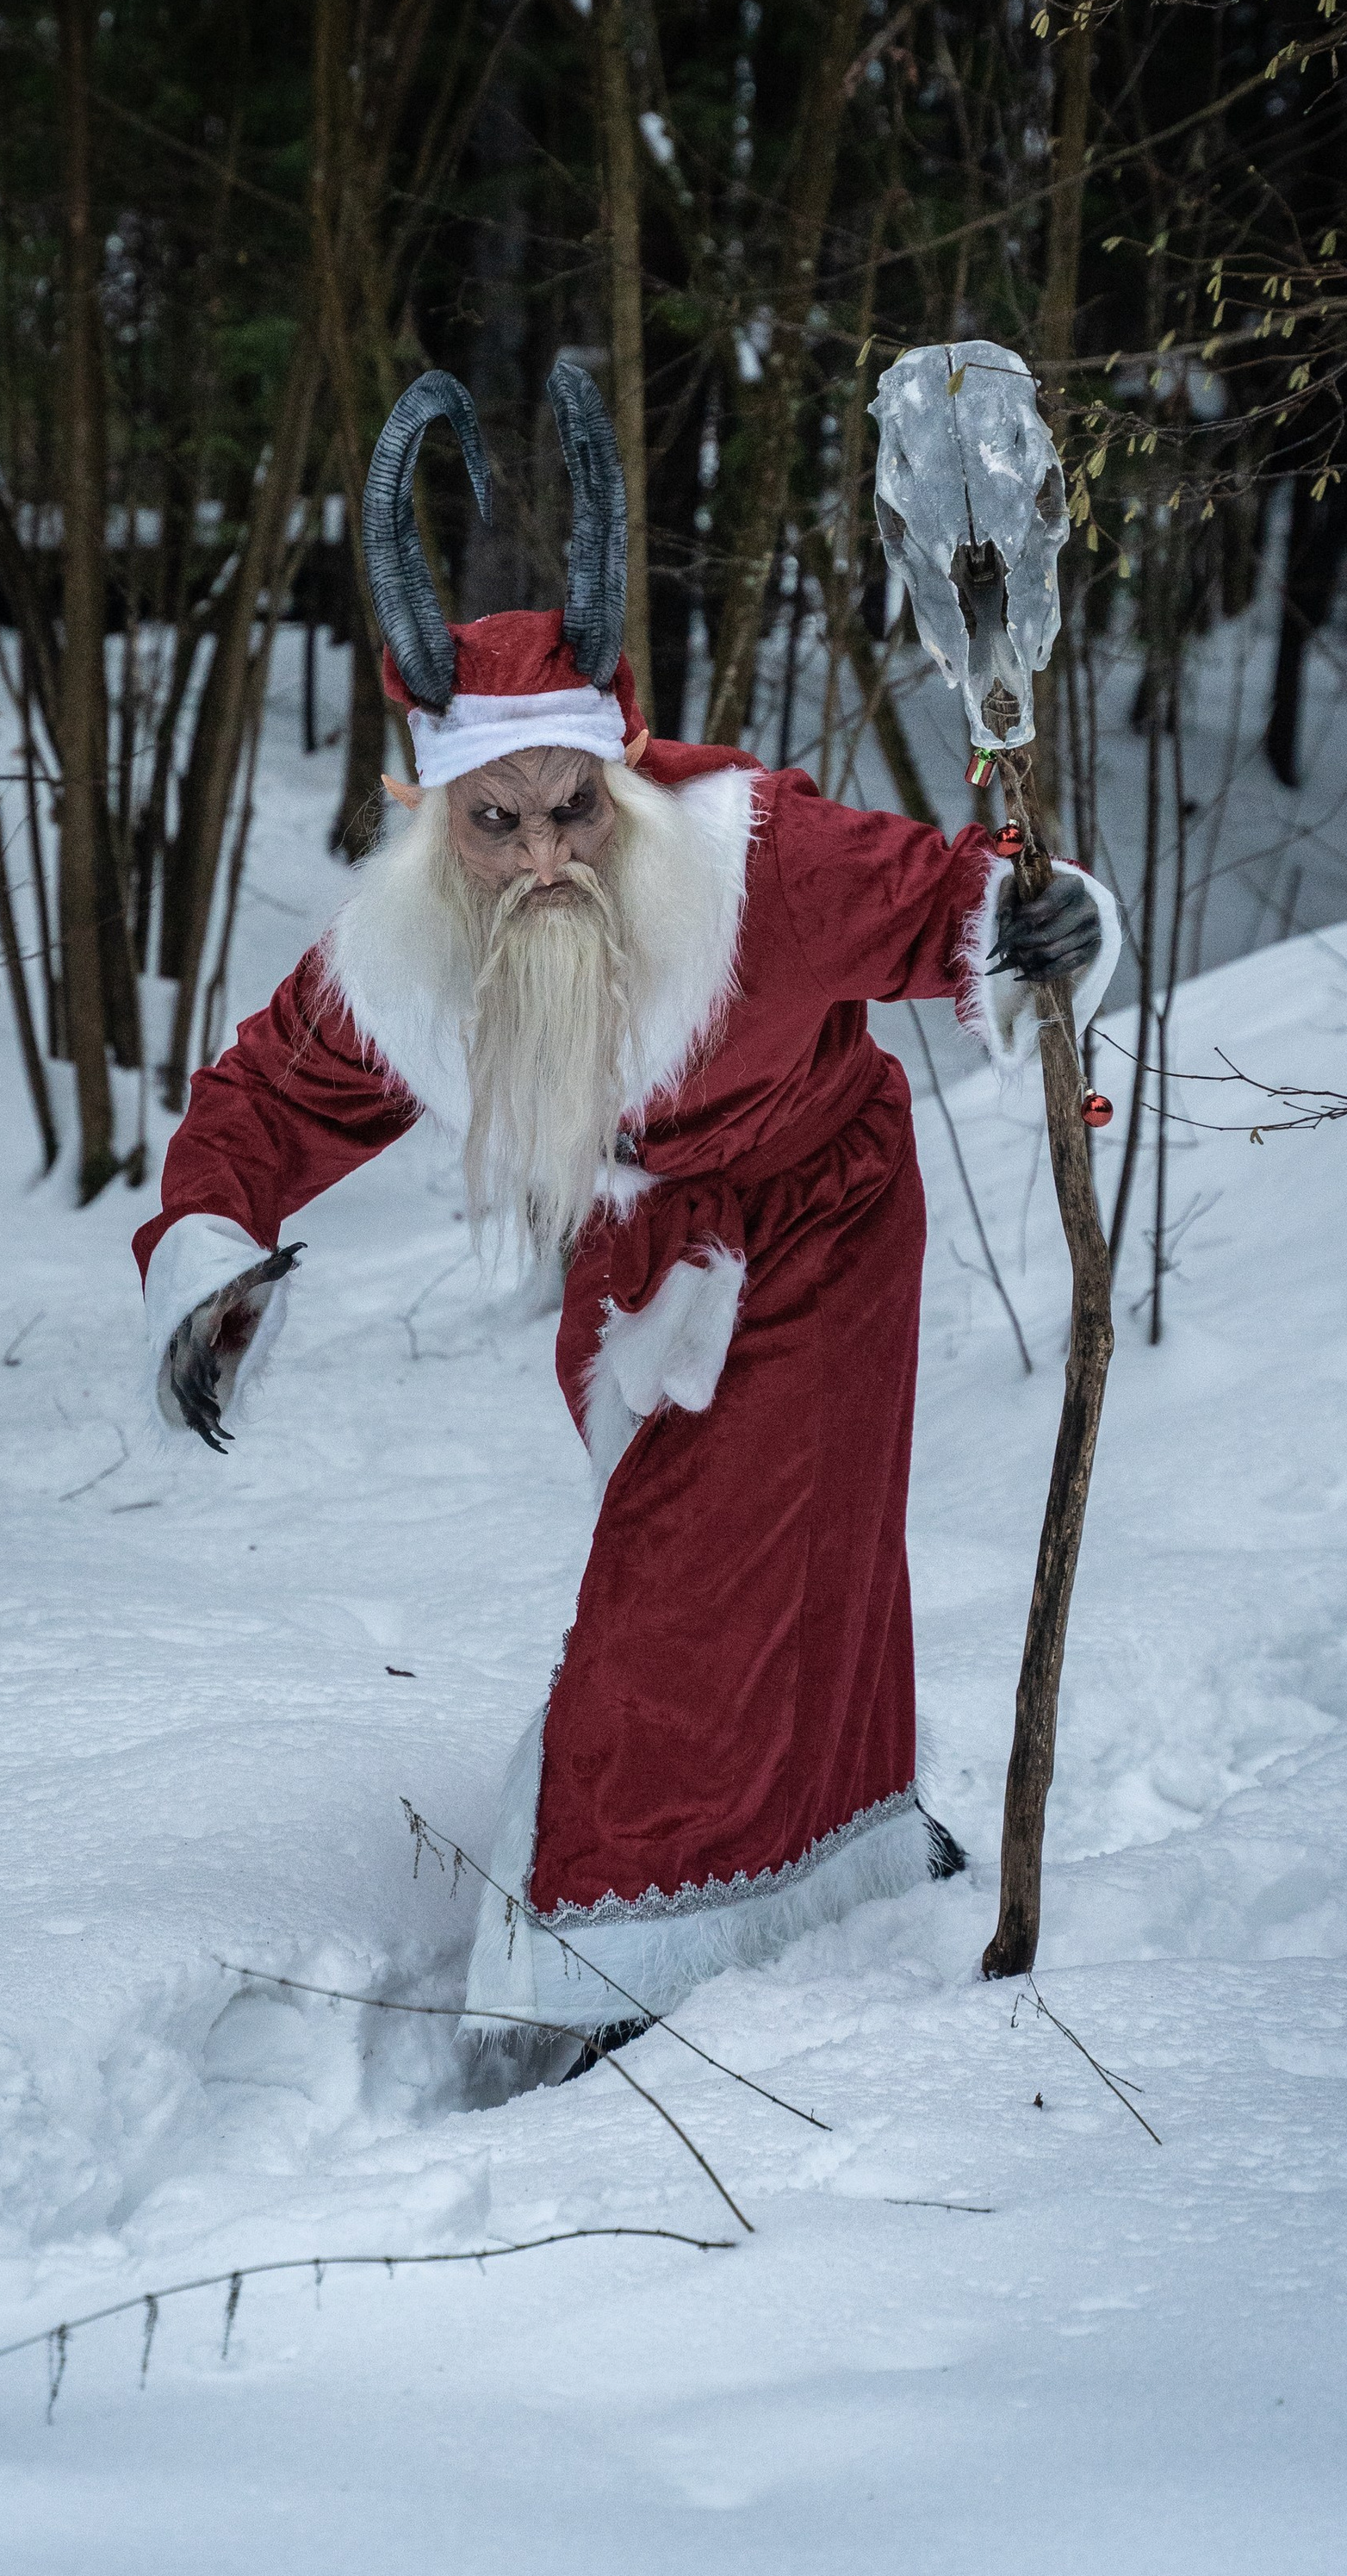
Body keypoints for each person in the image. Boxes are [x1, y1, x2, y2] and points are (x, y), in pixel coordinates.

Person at [134, 367, 1115, 2070]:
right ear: (436, 816)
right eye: (494, 822)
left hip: (826, 1219)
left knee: (691, 1598)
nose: (540, 859)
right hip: (645, 1269)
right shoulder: (404, 963)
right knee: (757, 1578)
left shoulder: (752, 860)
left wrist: (1031, 930)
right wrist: (209, 1265)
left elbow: (949, 905)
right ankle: (826, 1855)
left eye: (570, 810)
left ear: (625, 784)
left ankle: (593, 1966)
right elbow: (260, 1108)